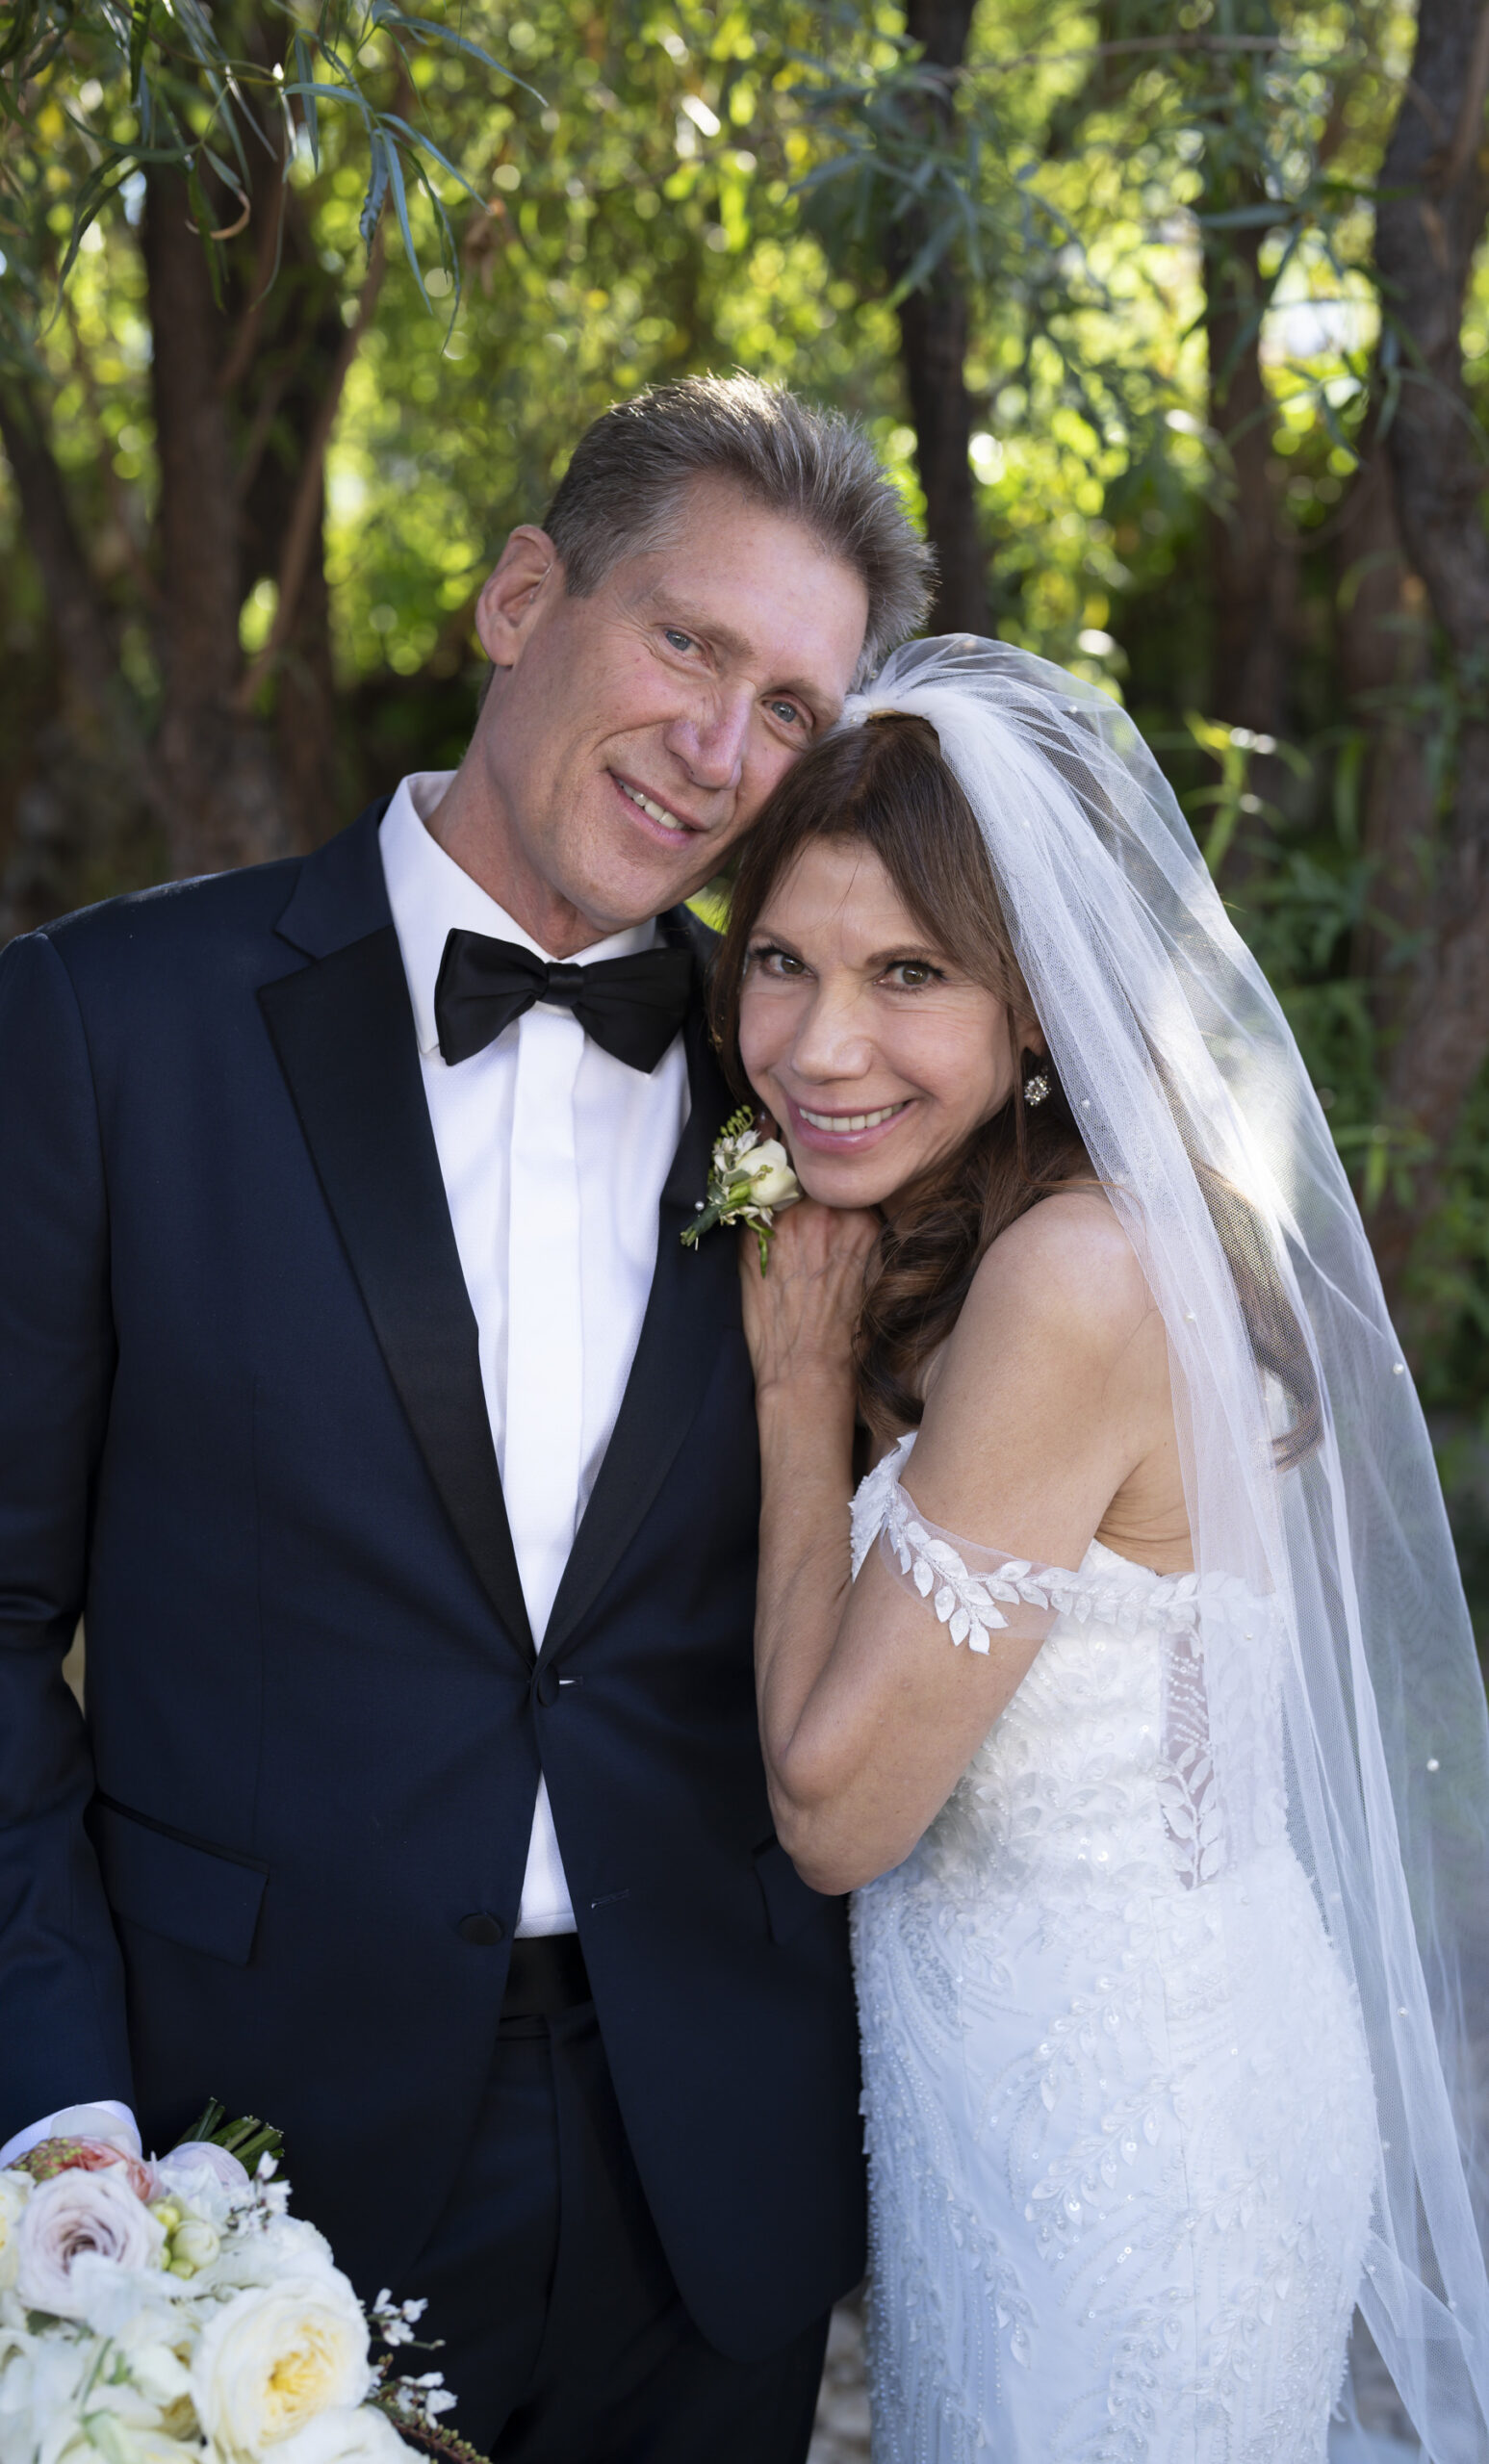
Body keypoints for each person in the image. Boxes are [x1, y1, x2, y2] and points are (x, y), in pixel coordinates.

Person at [0, 377, 931, 2464]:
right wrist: (69, 2120)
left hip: (705, 2171)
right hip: (234, 2143)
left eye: (789, 705)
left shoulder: (812, 1084)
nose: (719, 747)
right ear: (521, 594)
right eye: (685, 643)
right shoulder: (111, 1023)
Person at [715, 637, 1489, 2463]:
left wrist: (795, 1389)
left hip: (1128, 2145)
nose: (820, 1047)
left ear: (1044, 1002)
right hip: (1043, 2094)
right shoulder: (1052, 1229)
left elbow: (837, 1813)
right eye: (779, 962)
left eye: (908, 974)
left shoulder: (1071, 1278)